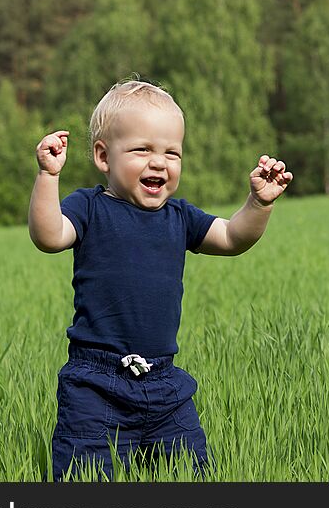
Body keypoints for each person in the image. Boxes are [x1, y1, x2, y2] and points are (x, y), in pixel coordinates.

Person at [28, 79, 293, 480]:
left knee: (191, 474)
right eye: (142, 150)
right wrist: (49, 176)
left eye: (173, 153)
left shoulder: (180, 217)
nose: (160, 163)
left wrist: (258, 203)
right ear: (103, 156)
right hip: (96, 384)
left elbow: (233, 237)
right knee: (87, 477)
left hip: (165, 385)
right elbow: (48, 237)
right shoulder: (90, 208)